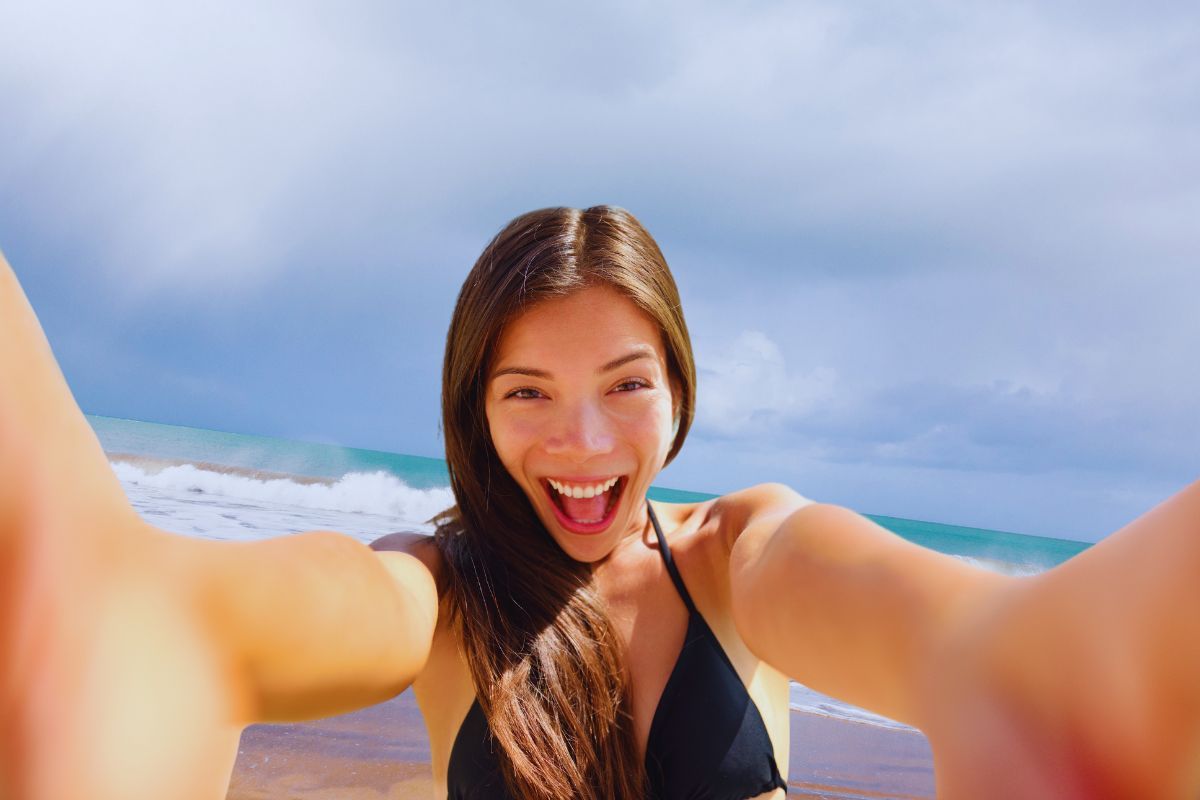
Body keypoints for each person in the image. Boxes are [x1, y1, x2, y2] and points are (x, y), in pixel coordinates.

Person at [0, 206, 1197, 800]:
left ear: (679, 390)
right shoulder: (435, 584)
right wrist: (134, 614)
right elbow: (237, 623)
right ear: (475, 407)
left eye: (626, 385)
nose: (582, 442)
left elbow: (969, 642)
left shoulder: (741, 554)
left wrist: (1056, 667)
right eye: (528, 393)